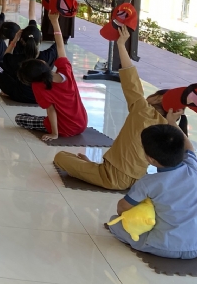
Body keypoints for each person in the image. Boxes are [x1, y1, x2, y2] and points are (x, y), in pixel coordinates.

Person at [54, 26, 169, 190]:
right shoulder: (170, 127)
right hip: (138, 180)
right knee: (77, 161)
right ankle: (91, 168)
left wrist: (121, 45)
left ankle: (92, 170)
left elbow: (131, 79)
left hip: (112, 177)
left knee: (61, 156)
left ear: (158, 98)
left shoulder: (143, 110)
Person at [108, 123, 197, 259]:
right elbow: (189, 146)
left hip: (164, 246)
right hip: (195, 247)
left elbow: (122, 208)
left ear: (150, 159)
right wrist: (173, 123)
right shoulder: (193, 166)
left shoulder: (148, 182)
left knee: (114, 223)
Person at [15, 12, 88, 140]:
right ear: (43, 64)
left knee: (19, 118)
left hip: (64, 128)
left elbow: (51, 110)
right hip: (82, 123)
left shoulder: (38, 86)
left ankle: (53, 128)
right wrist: (55, 22)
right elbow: (60, 46)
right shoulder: (66, 72)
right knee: (35, 117)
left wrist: (55, 134)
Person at [0, 22, 57, 104]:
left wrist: (15, 40)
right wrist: (55, 23)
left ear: (21, 40)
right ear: (40, 40)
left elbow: (5, 57)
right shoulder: (49, 55)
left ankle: (5, 90)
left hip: (19, 95)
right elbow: (58, 44)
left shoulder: (15, 59)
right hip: (40, 97)